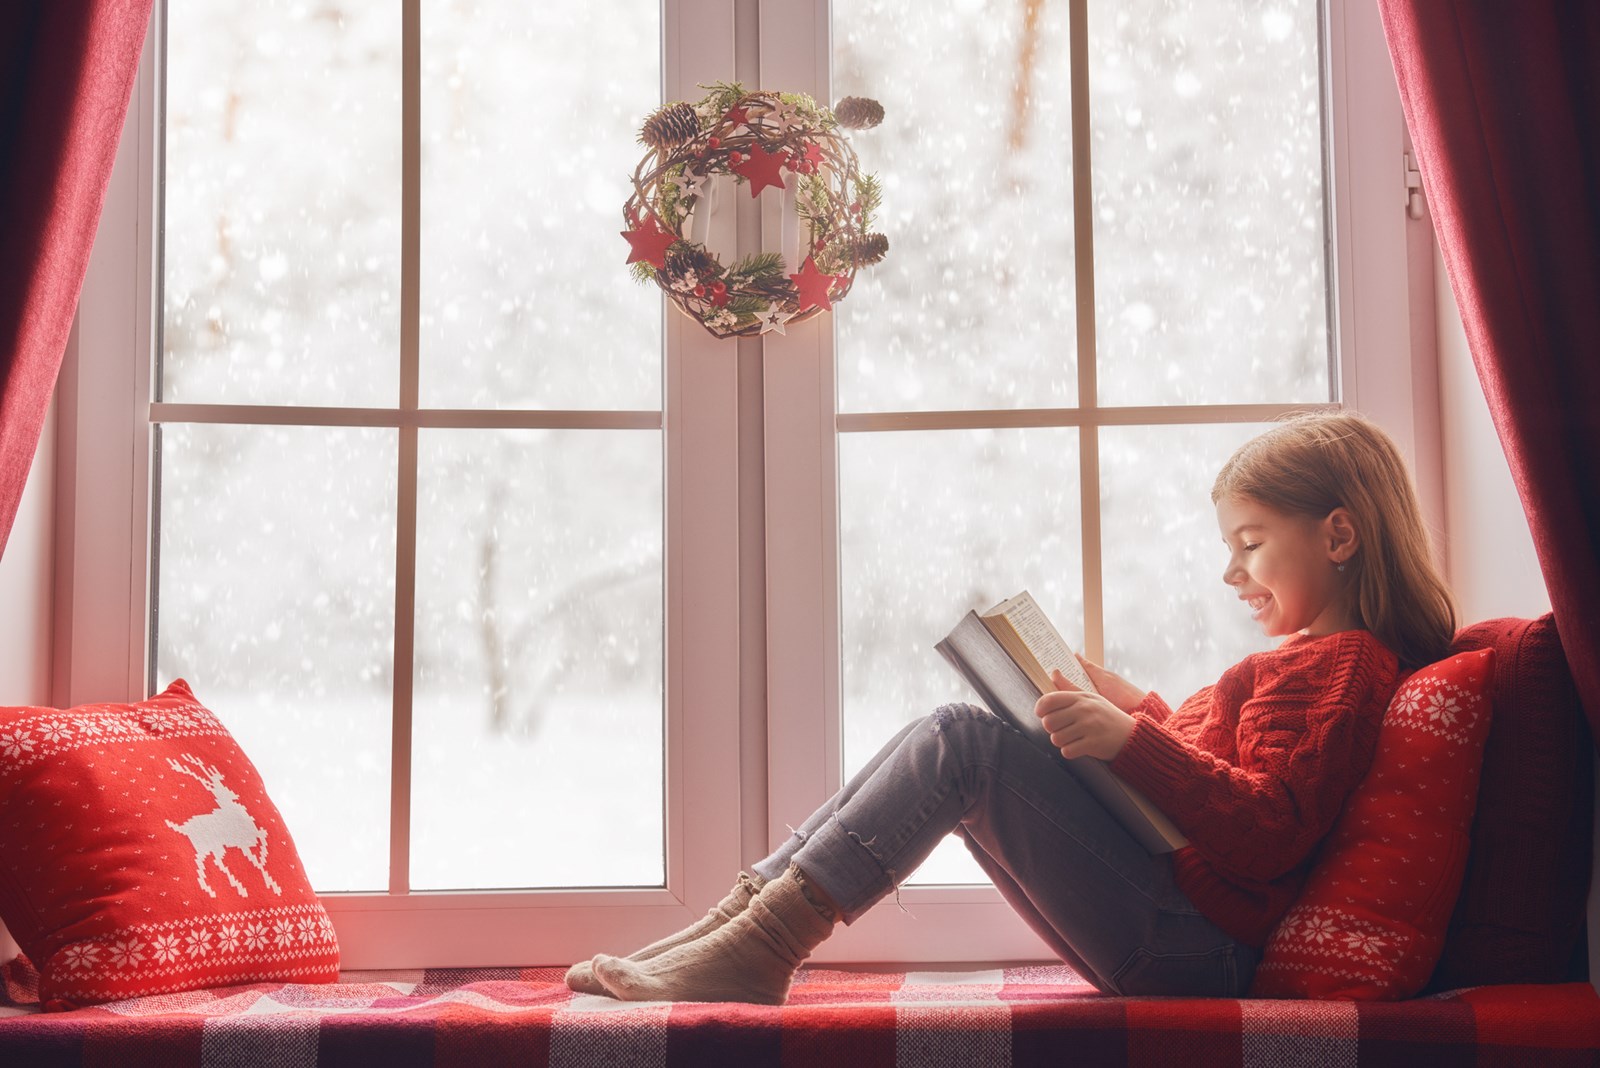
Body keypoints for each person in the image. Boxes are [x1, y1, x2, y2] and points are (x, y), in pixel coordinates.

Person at [565, 410, 1456, 1004]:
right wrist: (1130, 706)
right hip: (1183, 929)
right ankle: (735, 929)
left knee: (962, 745)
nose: (1231, 574)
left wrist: (1132, 742)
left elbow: (1269, 828)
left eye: (1251, 544)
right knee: (940, 733)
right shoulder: (1311, 662)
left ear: (1339, 534)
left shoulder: (1343, 669)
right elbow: (1221, 779)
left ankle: (759, 948)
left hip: (1201, 948)